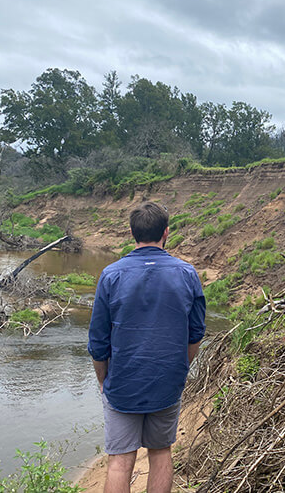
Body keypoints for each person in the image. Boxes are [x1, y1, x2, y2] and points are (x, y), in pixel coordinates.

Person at [88, 201, 206, 493]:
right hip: (167, 380)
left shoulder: (111, 275)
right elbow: (195, 335)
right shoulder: (187, 274)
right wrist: (180, 368)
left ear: (132, 233)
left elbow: (98, 341)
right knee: (161, 452)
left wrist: (104, 380)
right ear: (166, 232)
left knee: (119, 461)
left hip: (123, 382)